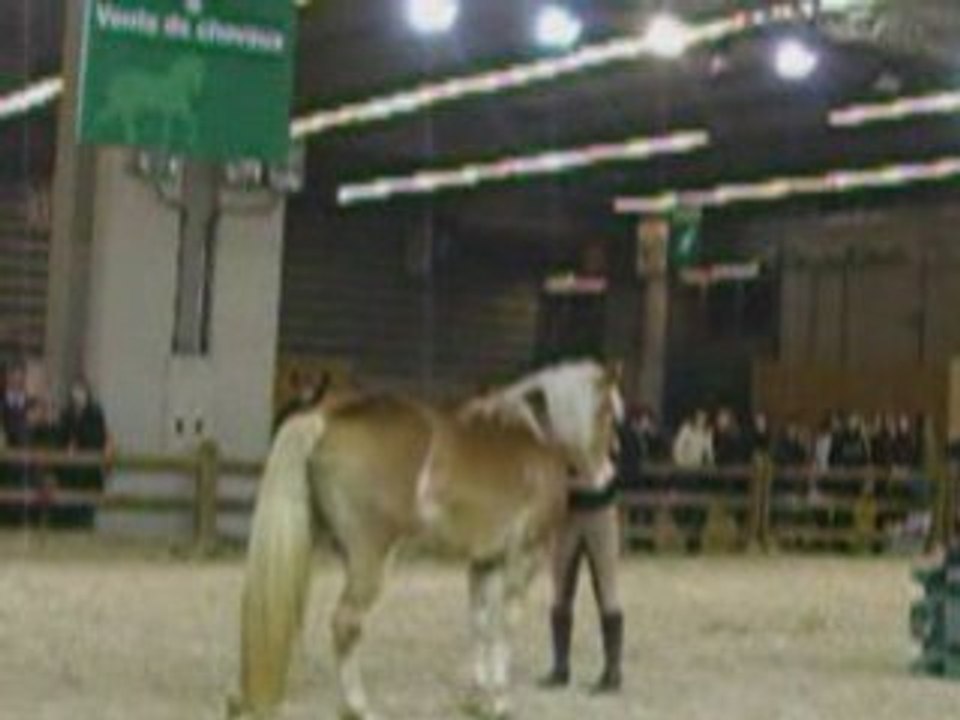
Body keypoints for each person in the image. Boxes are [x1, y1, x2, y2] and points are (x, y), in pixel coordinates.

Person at [540, 390, 625, 694]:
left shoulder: (602, 431)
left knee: (607, 588)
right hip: (570, 513)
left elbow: (601, 475)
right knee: (561, 589)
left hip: (598, 511)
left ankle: (612, 669)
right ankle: (561, 665)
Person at [58, 380, 110, 529]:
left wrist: (79, 441)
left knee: (87, 508)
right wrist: (67, 446)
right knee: (70, 508)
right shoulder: (66, 413)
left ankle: (86, 528)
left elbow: (99, 437)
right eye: (75, 390)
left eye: (81, 391)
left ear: (87, 393)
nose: (78, 395)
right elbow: (61, 436)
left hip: (89, 470)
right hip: (70, 471)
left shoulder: (95, 412)